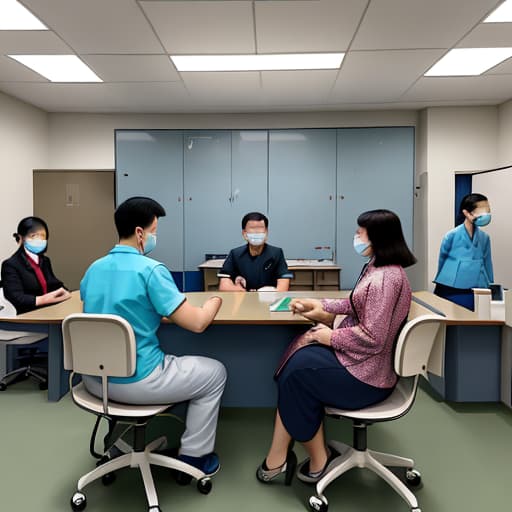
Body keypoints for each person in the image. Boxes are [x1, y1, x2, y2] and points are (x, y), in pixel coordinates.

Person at [255, 209, 416, 485]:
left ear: (377, 237)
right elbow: (354, 304)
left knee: (296, 375)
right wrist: (317, 305)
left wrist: (327, 337)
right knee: (296, 364)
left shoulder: (385, 280)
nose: (355, 237)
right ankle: (279, 455)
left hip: (368, 378)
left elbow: (373, 338)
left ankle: (318, 458)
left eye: (359, 233)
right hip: (365, 365)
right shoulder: (378, 268)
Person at [80, 197, 226, 476]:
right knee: (215, 373)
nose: (154, 237)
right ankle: (194, 458)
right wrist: (215, 301)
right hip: (138, 381)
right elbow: (197, 323)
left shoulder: (93, 269)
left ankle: (115, 441)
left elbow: (102, 313)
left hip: (95, 382)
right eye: (154, 231)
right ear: (139, 233)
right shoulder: (151, 270)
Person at [433, 193, 493, 310]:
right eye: (481, 211)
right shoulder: (451, 235)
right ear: (466, 213)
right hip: (452, 286)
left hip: (479, 287)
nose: (486, 214)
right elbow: (442, 260)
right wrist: (441, 281)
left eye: (487, 210)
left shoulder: (484, 237)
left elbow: (487, 263)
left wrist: (491, 285)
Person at [1, 216, 71, 314]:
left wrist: (65, 291)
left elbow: (54, 284)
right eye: (34, 236)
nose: (39, 239)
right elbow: (17, 298)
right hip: (28, 316)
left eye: (42, 236)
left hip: (49, 311)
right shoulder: (10, 265)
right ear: (21, 238)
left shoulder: (45, 261)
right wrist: (46, 299)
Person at [218, 212, 292, 291]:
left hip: (269, 299)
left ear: (266, 232)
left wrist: (270, 292)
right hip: (243, 298)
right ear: (244, 233)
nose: (256, 232)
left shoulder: (276, 253)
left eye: (260, 228)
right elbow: (224, 286)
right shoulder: (235, 254)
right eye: (252, 228)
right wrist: (240, 291)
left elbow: (283, 286)